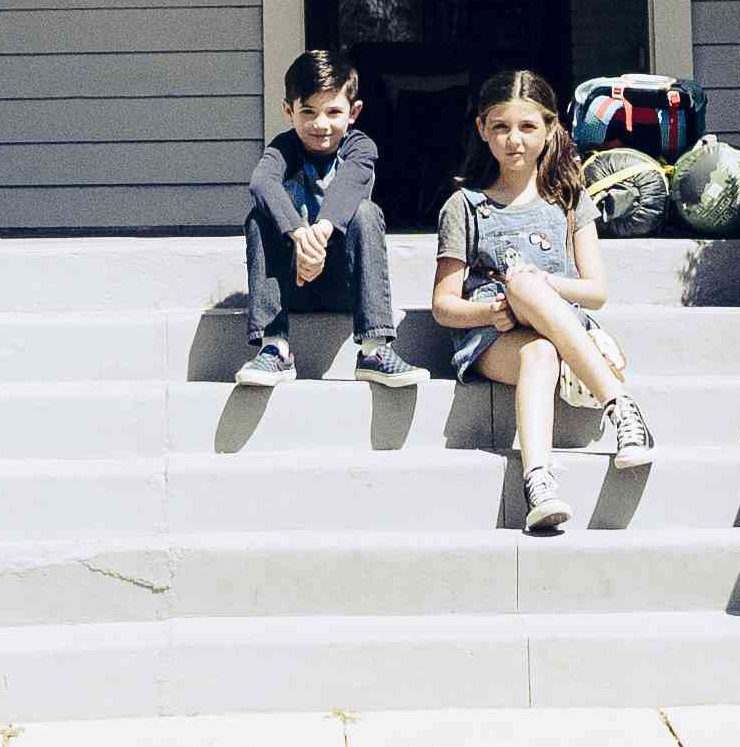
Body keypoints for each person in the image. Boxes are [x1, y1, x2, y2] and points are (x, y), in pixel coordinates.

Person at [427, 68, 651, 531]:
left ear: (550, 130)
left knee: (535, 312)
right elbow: (443, 305)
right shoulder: (465, 206)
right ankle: (553, 471)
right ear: (482, 130)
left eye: (528, 127)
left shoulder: (568, 198)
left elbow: (596, 291)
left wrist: (533, 284)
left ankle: (595, 431)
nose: (514, 140)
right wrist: (489, 310)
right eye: (501, 127)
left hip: (561, 326)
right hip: (495, 338)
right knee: (537, 346)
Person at [238, 46, 423, 388]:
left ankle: (374, 349)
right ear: (287, 111)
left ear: (354, 112)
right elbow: (260, 183)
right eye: (307, 111)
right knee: (258, 218)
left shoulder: (360, 147)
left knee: (367, 212)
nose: (320, 124)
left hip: (345, 283)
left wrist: (319, 233)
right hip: (291, 284)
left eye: (333, 112)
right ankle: (274, 347)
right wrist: (298, 234)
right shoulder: (282, 149)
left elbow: (350, 187)